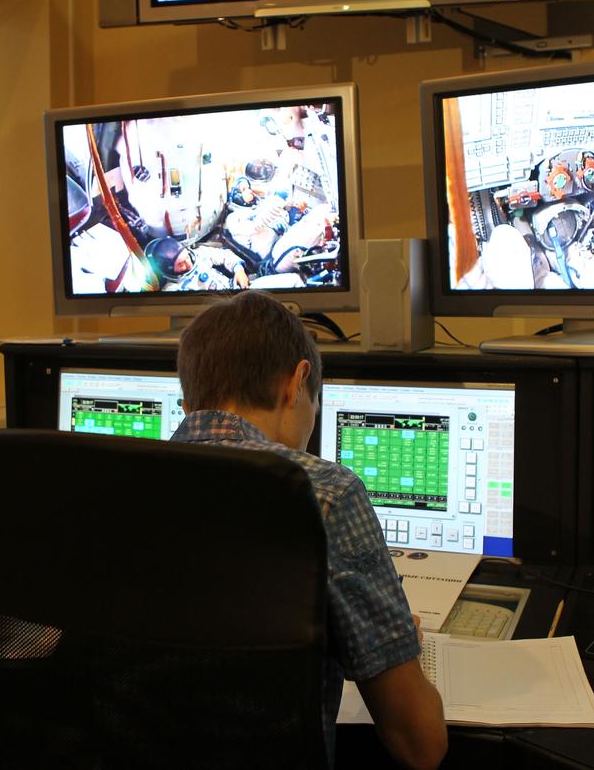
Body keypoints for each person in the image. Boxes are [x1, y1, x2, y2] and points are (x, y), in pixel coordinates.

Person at [171, 291, 448, 770]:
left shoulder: (110, 488)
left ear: (187, 403)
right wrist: (394, 639)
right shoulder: (322, 492)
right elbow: (420, 745)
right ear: (296, 384)